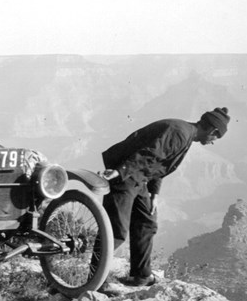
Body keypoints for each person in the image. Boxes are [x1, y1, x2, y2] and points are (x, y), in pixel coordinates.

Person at [98, 107, 231, 288]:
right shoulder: (179, 133)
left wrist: (154, 194)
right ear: (213, 130)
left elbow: (159, 165)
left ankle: (141, 275)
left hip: (140, 178)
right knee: (115, 230)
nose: (213, 142)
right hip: (126, 175)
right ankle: (96, 279)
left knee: (147, 223)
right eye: (216, 137)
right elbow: (148, 154)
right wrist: (119, 172)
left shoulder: (185, 135)